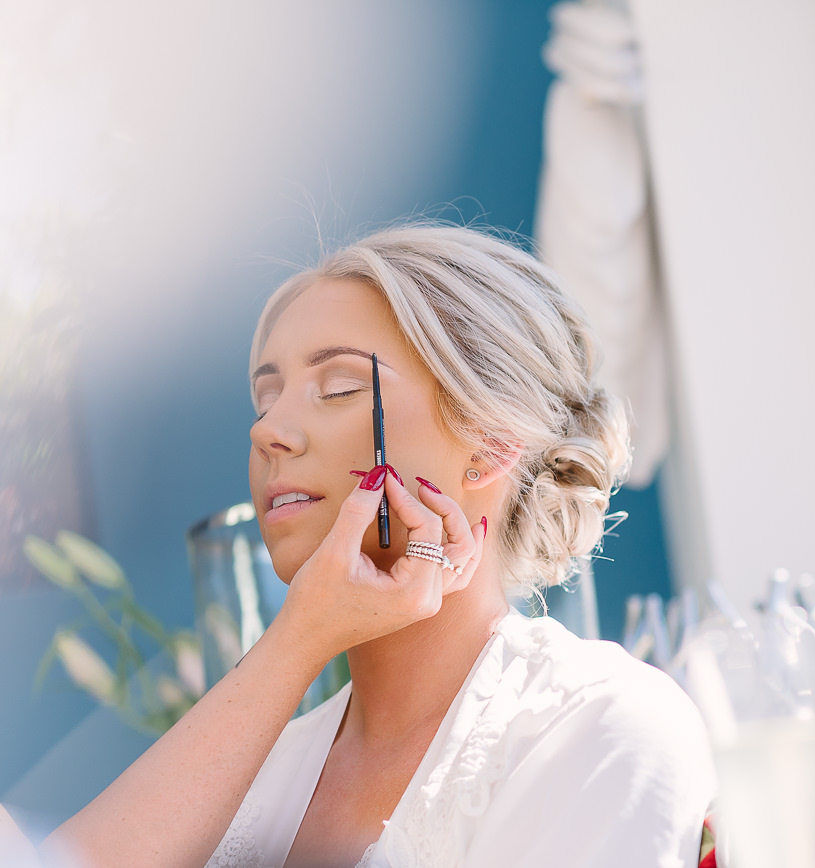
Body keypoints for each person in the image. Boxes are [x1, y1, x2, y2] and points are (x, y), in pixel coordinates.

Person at [150, 222, 712, 868]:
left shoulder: (599, 724)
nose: (269, 431)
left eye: (337, 389)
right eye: (265, 398)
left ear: (490, 443)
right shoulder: (246, 776)